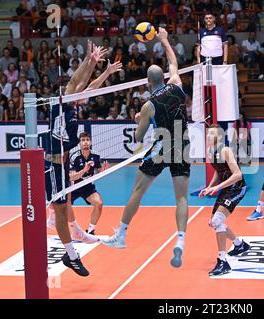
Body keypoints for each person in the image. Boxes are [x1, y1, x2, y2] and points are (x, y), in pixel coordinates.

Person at [102, 28, 191, 269]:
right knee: (181, 196)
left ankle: (121, 235)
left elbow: (139, 137)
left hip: (161, 146)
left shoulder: (148, 105)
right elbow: (173, 60)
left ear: (147, 82)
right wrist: (163, 40)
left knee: (137, 191)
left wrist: (138, 120)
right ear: (163, 77)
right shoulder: (176, 85)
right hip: (182, 144)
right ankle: (181, 240)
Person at [44, 40, 111, 276]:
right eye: (81, 94)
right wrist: (89, 60)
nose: (85, 94)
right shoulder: (61, 106)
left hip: (61, 167)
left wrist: (103, 70)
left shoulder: (73, 109)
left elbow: (89, 85)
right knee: (61, 209)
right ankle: (71, 254)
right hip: (51, 166)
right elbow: (75, 82)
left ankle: (73, 239)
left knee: (64, 206)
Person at [199, 125, 249, 276]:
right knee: (214, 222)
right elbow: (219, 171)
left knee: (217, 221)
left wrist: (217, 187)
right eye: (208, 133)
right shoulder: (210, 151)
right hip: (226, 189)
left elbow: (238, 174)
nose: (208, 136)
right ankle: (240, 245)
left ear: (220, 137)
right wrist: (209, 187)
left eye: (212, 133)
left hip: (237, 188)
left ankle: (223, 262)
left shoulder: (225, 150)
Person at [69, 132, 110, 235]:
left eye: (87, 140)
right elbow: (72, 177)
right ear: (79, 143)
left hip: (88, 188)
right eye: (83, 140)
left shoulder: (95, 156)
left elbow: (99, 172)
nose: (85, 142)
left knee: (99, 203)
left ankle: (91, 230)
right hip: (73, 188)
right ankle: (72, 230)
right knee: (62, 210)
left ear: (90, 142)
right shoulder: (74, 157)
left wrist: (103, 171)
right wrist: (84, 170)